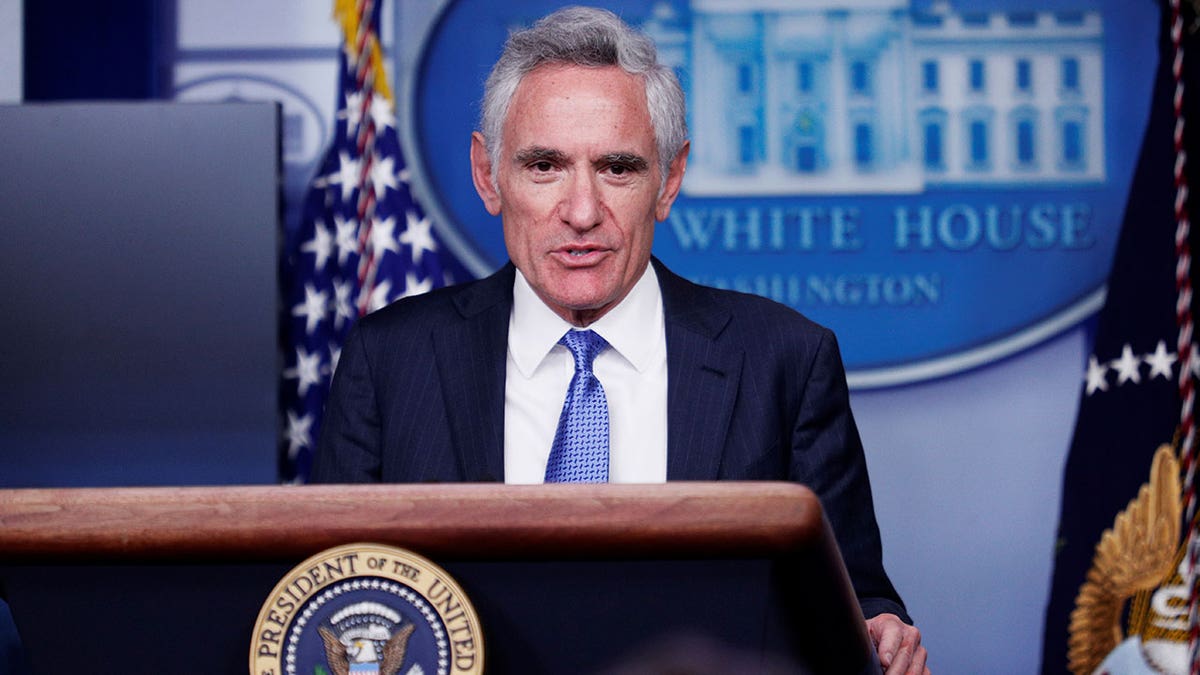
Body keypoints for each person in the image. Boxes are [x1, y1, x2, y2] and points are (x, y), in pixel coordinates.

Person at [313, 6, 928, 673]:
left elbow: (855, 599)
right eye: (544, 165)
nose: (581, 212)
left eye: (617, 169)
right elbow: (331, 597)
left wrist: (881, 631)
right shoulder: (391, 360)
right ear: (488, 175)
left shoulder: (784, 359)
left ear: (668, 180)